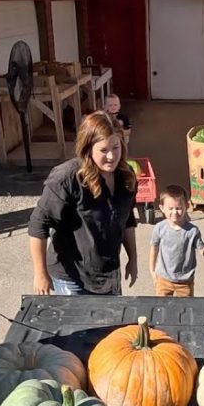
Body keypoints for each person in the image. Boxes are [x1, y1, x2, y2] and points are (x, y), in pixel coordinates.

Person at [28, 111, 139, 296]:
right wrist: (40, 274)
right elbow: (38, 226)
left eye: (116, 147)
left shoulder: (126, 177)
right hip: (72, 278)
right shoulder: (66, 178)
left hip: (108, 274)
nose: (111, 156)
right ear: (88, 148)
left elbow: (127, 220)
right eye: (103, 150)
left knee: (112, 325)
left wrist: (133, 259)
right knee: (81, 325)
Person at [149, 184, 204, 297]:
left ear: (186, 206)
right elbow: (154, 248)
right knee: (162, 308)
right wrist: (152, 271)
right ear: (162, 208)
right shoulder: (160, 228)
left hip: (185, 281)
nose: (175, 212)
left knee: (185, 309)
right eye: (170, 209)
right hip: (163, 278)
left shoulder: (192, 231)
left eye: (178, 208)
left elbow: (201, 249)